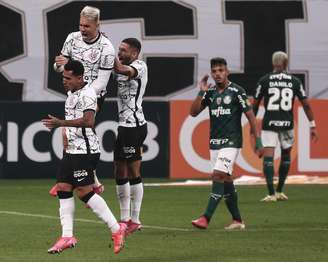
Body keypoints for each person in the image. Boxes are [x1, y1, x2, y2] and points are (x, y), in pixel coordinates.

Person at [42, 60, 126, 254]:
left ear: (79, 78)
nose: (64, 81)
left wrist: (60, 123)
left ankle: (116, 229)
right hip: (72, 150)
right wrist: (65, 138)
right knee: (63, 188)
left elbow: (89, 122)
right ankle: (67, 236)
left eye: (68, 78)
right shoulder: (72, 94)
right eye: (63, 77)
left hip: (85, 151)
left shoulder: (88, 94)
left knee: (83, 192)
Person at [190, 57, 263, 230]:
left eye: (221, 70)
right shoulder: (210, 92)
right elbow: (193, 113)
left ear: (227, 72)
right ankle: (237, 220)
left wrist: (258, 140)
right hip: (214, 143)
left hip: (232, 142)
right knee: (227, 180)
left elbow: (251, 116)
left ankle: (205, 217)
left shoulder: (237, 91)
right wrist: (201, 92)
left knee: (218, 175)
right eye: (214, 71)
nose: (217, 74)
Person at [51, 5, 115, 196]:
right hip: (74, 93)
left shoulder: (107, 48)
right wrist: (58, 65)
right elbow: (60, 67)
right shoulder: (72, 38)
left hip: (93, 94)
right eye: (80, 25)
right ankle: (82, 179)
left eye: (87, 26)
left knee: (82, 131)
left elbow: (103, 81)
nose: (82, 29)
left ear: (97, 24)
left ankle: (89, 178)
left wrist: (84, 94)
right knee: (67, 134)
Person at [253, 51, 318, 202]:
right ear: (286, 63)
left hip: (270, 123)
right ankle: (280, 191)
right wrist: (312, 125)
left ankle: (271, 194)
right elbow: (306, 105)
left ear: (272, 63)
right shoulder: (295, 81)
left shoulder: (264, 80)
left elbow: (255, 104)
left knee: (268, 158)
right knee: (286, 157)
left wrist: (252, 125)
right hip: (287, 124)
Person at [112, 38, 148, 235]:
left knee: (134, 172)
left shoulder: (139, 66)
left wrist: (107, 52)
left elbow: (123, 71)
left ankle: (135, 219)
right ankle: (124, 218)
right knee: (119, 169)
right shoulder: (119, 66)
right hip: (123, 127)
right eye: (118, 49)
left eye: (123, 50)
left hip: (135, 126)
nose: (119, 53)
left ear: (134, 53)